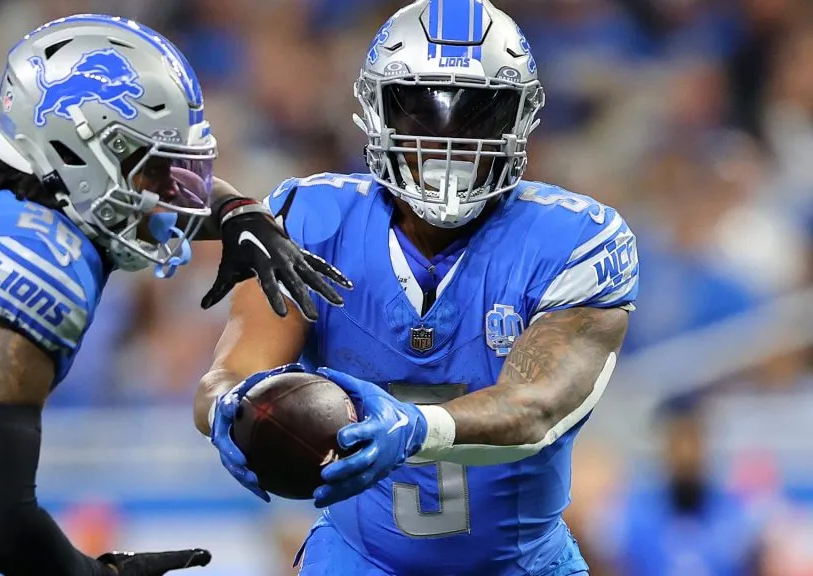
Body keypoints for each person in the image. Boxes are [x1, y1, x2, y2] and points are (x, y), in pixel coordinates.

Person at [0, 14, 349, 576]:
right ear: (74, 154)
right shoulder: (32, 281)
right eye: (153, 167)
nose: (177, 193)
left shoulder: (0, 187)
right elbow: (0, 526)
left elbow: (131, 197)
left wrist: (236, 212)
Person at [196, 1, 639, 575]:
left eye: (476, 114)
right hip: (358, 559)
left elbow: (537, 407)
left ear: (517, 119)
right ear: (379, 114)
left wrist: (415, 428)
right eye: (423, 112)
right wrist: (231, 406)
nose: (448, 140)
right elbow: (230, 376)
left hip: (518, 564)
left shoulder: (575, 240)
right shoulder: (309, 220)